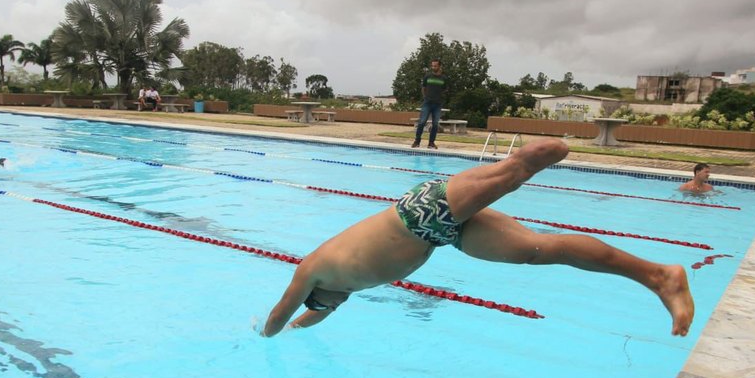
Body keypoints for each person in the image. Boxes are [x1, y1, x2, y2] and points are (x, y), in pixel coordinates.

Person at [263, 138, 694, 338]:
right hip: (443, 234)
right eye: (329, 308)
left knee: (511, 175)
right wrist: (307, 325)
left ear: (322, 294)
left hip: (420, 211)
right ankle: (658, 276)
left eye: (327, 305)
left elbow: (283, 311)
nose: (332, 306)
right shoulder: (344, 287)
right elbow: (309, 318)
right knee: (537, 250)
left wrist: (264, 337)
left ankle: (526, 159)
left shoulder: (312, 271)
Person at [411, 59, 446, 149]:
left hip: (437, 104)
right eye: (432, 66)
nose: (433, 67)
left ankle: (431, 143)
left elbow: (444, 89)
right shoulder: (427, 76)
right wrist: (425, 97)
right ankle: (417, 141)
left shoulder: (443, 78)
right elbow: (423, 88)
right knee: (422, 122)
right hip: (427, 103)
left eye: (435, 66)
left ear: (439, 66)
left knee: (435, 124)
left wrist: (440, 98)